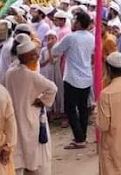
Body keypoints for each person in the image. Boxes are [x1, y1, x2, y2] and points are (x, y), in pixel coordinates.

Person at [5, 40, 57, 175]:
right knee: (32, 149)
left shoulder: (10, 72)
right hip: (30, 117)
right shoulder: (31, 75)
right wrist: (43, 100)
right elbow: (52, 88)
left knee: (19, 149)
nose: (37, 57)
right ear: (25, 57)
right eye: (33, 55)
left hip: (14, 117)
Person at [51, 11, 94, 150]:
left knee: (70, 108)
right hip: (86, 76)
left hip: (72, 77)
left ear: (80, 23)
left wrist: (54, 43)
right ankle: (82, 136)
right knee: (82, 108)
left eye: (75, 20)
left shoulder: (71, 37)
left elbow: (55, 51)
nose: (73, 23)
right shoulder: (90, 37)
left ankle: (80, 138)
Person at [0, 82, 16, 175]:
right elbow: (10, 121)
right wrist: (9, 146)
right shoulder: (2, 91)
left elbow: (10, 120)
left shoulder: (1, 92)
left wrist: (9, 146)